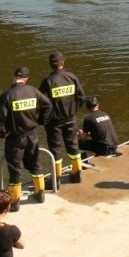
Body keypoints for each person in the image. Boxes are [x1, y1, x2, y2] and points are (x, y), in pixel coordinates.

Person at [0, 66, 52, 211]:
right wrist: (41, 121)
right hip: (32, 135)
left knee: (15, 169)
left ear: (14, 77)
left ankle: (14, 202)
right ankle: (40, 194)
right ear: (26, 79)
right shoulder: (33, 91)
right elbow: (48, 105)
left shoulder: (7, 95)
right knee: (35, 164)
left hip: (14, 137)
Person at [39, 50, 87, 185]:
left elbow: (42, 104)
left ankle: (56, 179)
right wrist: (73, 111)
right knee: (73, 146)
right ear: (63, 63)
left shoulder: (47, 81)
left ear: (50, 65)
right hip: (70, 118)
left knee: (55, 149)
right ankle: (77, 174)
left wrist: (44, 119)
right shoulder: (72, 77)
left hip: (54, 122)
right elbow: (82, 97)